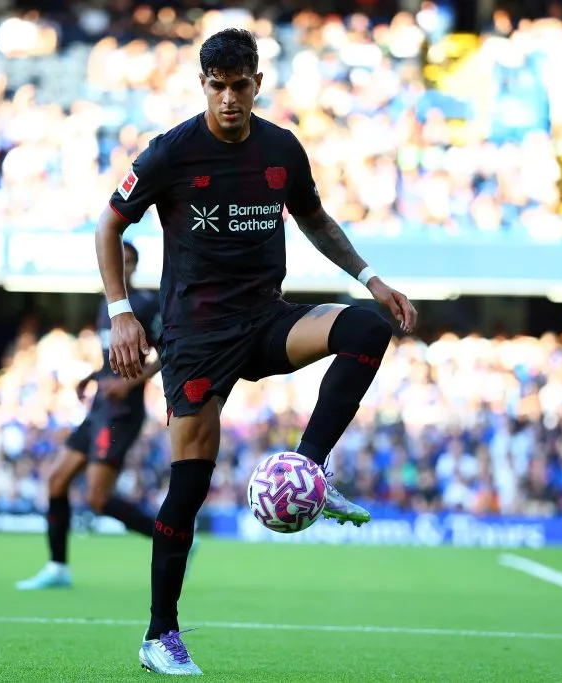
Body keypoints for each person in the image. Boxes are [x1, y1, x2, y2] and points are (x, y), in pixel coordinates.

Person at [94, 29, 418, 675]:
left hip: (265, 319)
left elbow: (317, 219)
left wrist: (371, 278)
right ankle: (160, 634)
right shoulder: (171, 152)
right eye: (218, 86)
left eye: (240, 86)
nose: (230, 99)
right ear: (203, 85)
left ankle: (311, 469)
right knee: (188, 483)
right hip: (194, 337)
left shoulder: (281, 148)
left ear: (257, 83)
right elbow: (109, 224)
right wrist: (122, 312)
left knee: (365, 328)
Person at [16, 241, 184, 590]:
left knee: (97, 498)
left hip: (122, 411)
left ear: (135, 266)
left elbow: (166, 353)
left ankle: (175, 538)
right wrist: (93, 376)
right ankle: (58, 566)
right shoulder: (105, 305)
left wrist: (130, 385)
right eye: (116, 259)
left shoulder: (145, 303)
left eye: (128, 261)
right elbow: (115, 355)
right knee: (56, 480)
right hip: (99, 407)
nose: (121, 266)